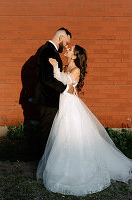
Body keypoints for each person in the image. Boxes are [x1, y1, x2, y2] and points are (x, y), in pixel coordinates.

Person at [36, 45, 132, 196]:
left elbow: (64, 86)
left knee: (72, 137)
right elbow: (60, 82)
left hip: (71, 108)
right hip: (64, 106)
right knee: (63, 137)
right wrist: (57, 68)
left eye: (71, 48)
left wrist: (55, 68)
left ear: (74, 56)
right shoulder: (67, 67)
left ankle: (77, 171)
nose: (67, 48)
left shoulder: (76, 70)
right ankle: (61, 169)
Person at [35, 28, 73, 156]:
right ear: (61, 37)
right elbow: (47, 79)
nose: (67, 46)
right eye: (67, 42)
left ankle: (47, 163)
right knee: (47, 134)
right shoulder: (48, 51)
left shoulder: (49, 50)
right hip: (47, 100)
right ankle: (44, 167)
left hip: (49, 99)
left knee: (50, 133)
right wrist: (65, 88)